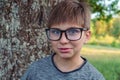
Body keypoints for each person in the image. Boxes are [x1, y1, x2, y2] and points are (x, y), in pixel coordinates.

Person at [21, 0, 105, 80]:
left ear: (86, 36)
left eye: (73, 31)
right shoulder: (35, 71)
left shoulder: (94, 77)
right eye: (55, 32)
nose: (63, 40)